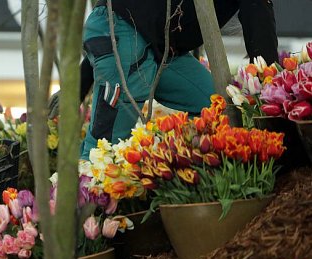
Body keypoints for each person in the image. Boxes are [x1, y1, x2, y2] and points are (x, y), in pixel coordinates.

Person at [79, 0, 278, 159]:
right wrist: (270, 89)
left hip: (162, 46)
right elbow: (258, 13)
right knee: (105, 148)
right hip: (126, 29)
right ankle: (82, 205)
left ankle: (166, 174)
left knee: (215, 111)